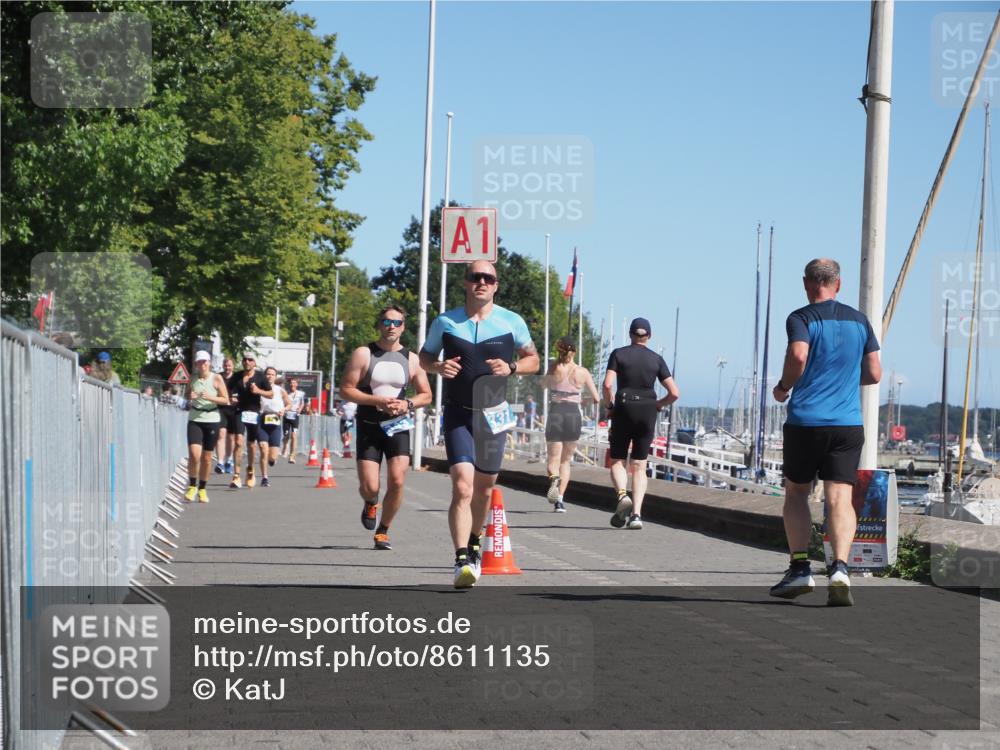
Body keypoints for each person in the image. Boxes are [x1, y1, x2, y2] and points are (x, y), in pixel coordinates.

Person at [419, 259, 539, 588]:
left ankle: (474, 541)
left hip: (493, 414)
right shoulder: (446, 321)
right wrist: (437, 367)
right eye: (476, 277)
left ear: (496, 285)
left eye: (488, 278)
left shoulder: (511, 322)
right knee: (462, 485)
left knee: (484, 490)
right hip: (458, 411)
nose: (481, 282)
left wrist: (512, 368)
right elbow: (424, 357)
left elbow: (535, 359)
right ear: (466, 282)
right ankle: (461, 559)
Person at [769, 258, 881, 607]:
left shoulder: (801, 318)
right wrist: (846, 380)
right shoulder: (860, 321)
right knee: (840, 498)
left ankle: (801, 568)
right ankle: (840, 569)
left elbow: (798, 355)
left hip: (806, 422)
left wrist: (784, 385)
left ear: (806, 283)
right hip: (847, 424)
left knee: (797, 494)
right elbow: (875, 372)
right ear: (839, 284)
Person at [339, 305, 433, 550]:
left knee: (398, 481)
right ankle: (371, 502)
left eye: (397, 323)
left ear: (403, 327)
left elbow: (426, 395)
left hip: (398, 426)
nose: (391, 327)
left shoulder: (412, 359)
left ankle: (383, 530)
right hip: (370, 425)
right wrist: (377, 401)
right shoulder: (364, 353)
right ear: (379, 325)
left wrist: (408, 403)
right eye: (386, 322)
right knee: (370, 487)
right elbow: (346, 389)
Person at [602, 317, 679, 530]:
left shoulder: (618, 354)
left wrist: (610, 407)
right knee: (640, 465)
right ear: (649, 337)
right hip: (647, 410)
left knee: (617, 460)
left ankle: (621, 495)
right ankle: (636, 515)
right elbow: (674, 393)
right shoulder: (656, 359)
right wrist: (658, 405)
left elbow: (608, 384)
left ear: (630, 335)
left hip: (624, 407)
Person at [544, 336, 600, 512]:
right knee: (566, 461)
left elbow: (542, 386)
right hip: (573, 415)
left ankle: (554, 478)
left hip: (556, 412)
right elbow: (597, 398)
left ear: (558, 351)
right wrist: (581, 399)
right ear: (574, 352)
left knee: (553, 458)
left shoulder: (554, 368)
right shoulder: (582, 372)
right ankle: (560, 500)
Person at [185, 351, 230, 503]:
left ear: (209, 362)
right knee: (194, 454)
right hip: (195, 418)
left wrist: (209, 397)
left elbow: (225, 400)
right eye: (200, 362)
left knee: (207, 458)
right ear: (196, 364)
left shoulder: (216, 378)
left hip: (212, 418)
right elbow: (187, 395)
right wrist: (190, 397)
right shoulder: (192, 378)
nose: (203, 364)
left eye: (205, 362)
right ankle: (192, 486)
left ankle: (203, 489)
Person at [227, 352, 273, 489]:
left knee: (251, 445)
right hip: (240, 411)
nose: (247, 362)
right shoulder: (237, 376)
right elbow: (228, 392)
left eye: (250, 360)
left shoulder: (260, 377)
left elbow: (271, 394)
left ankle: (250, 470)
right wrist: (232, 398)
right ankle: (236, 475)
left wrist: (259, 390)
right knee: (238, 441)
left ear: (254, 363)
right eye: (245, 360)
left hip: (253, 412)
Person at [257, 367, 292, 487]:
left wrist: (284, 410)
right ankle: (264, 478)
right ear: (264, 375)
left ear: (275, 376)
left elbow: (289, 404)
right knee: (263, 449)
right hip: (262, 420)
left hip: (275, 421)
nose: (270, 376)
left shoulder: (280, 390)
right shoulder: (259, 389)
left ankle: (272, 460)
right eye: (267, 374)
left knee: (272, 456)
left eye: (272, 374)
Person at [215, 357, 237, 474]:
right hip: (221, 408)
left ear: (232, 366)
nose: (227, 368)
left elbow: (241, 393)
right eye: (225, 365)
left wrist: (237, 399)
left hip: (233, 410)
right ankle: (220, 462)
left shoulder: (237, 378)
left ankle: (229, 459)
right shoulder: (218, 377)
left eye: (229, 366)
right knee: (221, 434)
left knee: (231, 436)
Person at [281, 377, 307, 462]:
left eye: (294, 383)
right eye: (291, 383)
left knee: (294, 435)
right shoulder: (285, 393)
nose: (292, 384)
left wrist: (300, 408)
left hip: (295, 415)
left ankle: (292, 455)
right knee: (286, 435)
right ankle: (285, 446)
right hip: (286, 416)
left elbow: (302, 403)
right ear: (289, 384)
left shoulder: (301, 393)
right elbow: (281, 402)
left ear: (297, 384)